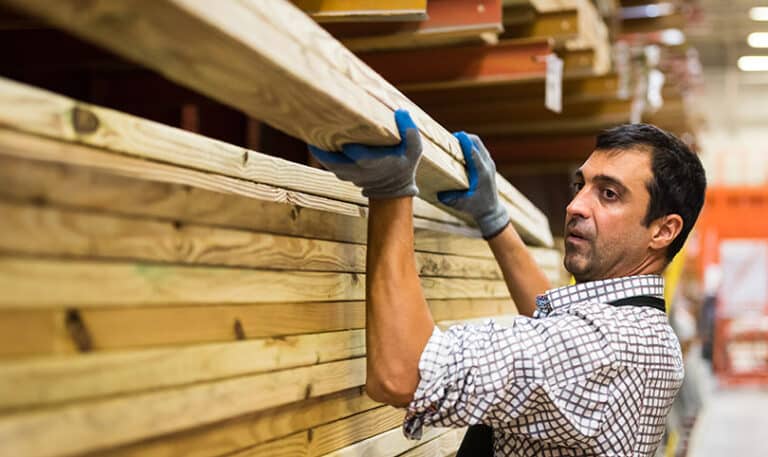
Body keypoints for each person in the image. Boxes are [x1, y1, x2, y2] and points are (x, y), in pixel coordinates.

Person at [309, 110, 707, 456]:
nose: (575, 205)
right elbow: (552, 318)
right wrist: (495, 221)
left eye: (608, 193)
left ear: (663, 231)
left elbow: (402, 374)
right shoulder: (641, 329)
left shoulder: (605, 347)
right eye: (580, 185)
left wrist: (390, 190)